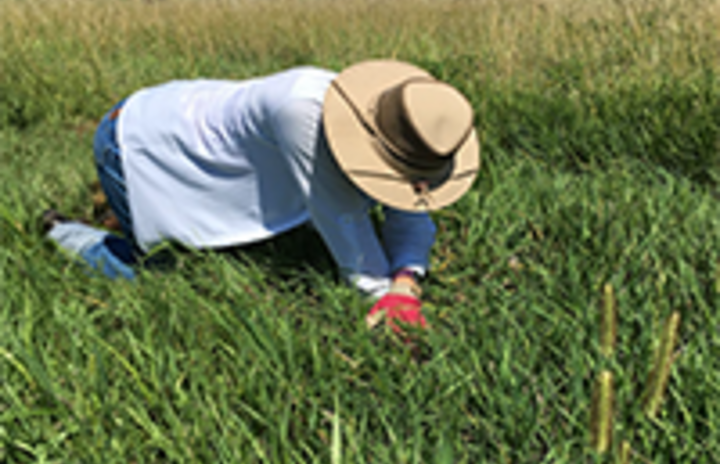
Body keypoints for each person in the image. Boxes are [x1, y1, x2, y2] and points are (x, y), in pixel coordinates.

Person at [43, 60, 480, 333]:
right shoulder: (302, 112)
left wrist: (405, 283)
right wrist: (385, 297)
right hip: (137, 141)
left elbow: (412, 210)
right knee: (172, 276)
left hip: (188, 134)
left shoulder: (395, 124)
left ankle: (120, 210)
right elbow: (345, 227)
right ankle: (65, 233)